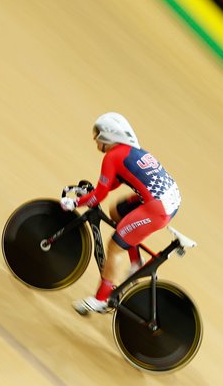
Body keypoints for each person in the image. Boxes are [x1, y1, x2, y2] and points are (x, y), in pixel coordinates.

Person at [60, 112, 181, 315]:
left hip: (156, 209)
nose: (95, 139)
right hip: (167, 202)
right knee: (117, 211)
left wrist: (74, 203)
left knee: (115, 246)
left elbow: (98, 196)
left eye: (97, 135)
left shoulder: (112, 157)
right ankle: (136, 263)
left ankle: (101, 299)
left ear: (108, 136)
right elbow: (115, 182)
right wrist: (92, 193)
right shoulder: (133, 151)